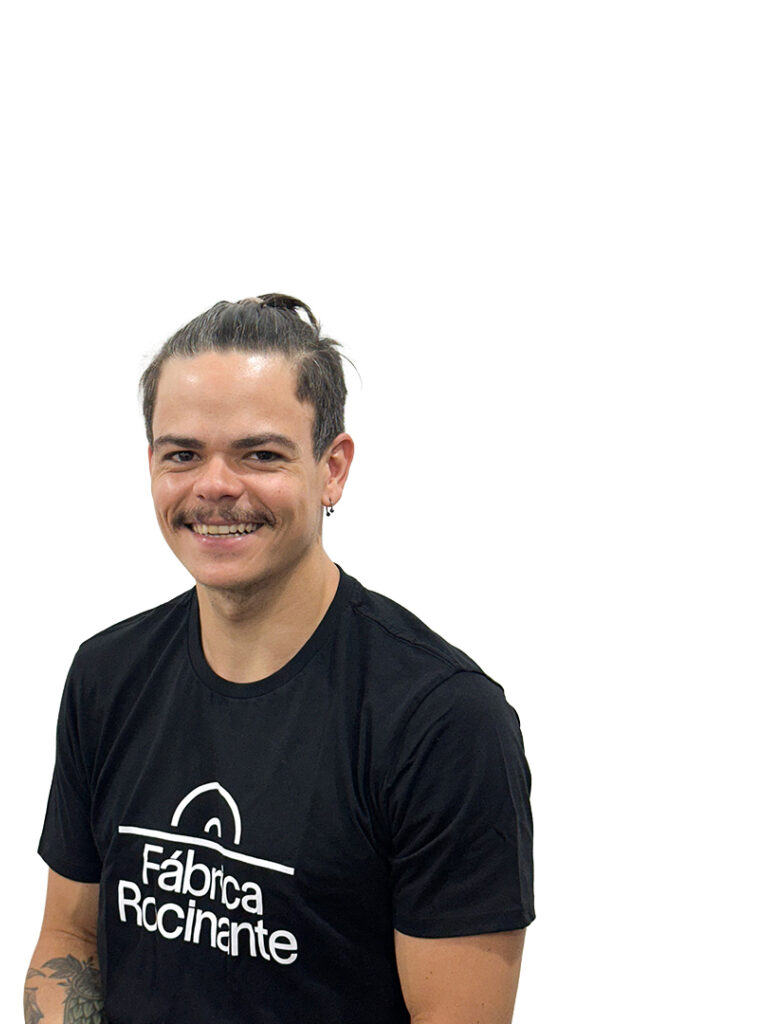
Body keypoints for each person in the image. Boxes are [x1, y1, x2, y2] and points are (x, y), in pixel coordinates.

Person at [26, 294, 535, 1024]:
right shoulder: (106, 677)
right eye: (183, 454)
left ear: (333, 469)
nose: (214, 486)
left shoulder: (443, 721)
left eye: (260, 454)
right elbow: (70, 938)